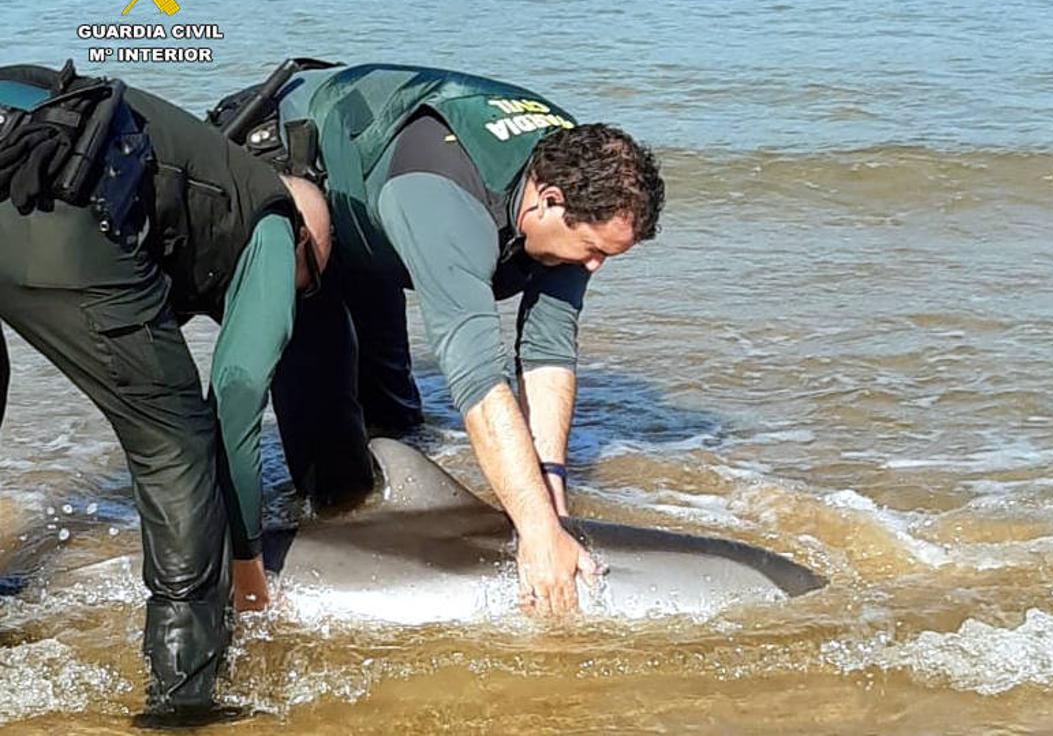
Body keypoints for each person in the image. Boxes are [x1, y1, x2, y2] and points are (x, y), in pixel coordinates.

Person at [210, 62, 664, 617]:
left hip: (375, 189)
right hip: (297, 177)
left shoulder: (579, 180)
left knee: (395, 420)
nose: (593, 267)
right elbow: (477, 378)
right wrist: (537, 534)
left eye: (607, 255)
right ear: (548, 199)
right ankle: (272, 570)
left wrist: (551, 496)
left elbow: (548, 350)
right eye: (591, 249)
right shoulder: (443, 202)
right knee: (333, 467)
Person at [0, 62, 331, 719]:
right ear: (302, 240)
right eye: (309, 281)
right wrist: (247, 569)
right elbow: (234, 398)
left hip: (18, 143)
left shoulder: (200, 168)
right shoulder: (270, 218)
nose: (299, 300)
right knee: (175, 445)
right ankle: (184, 697)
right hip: (65, 201)